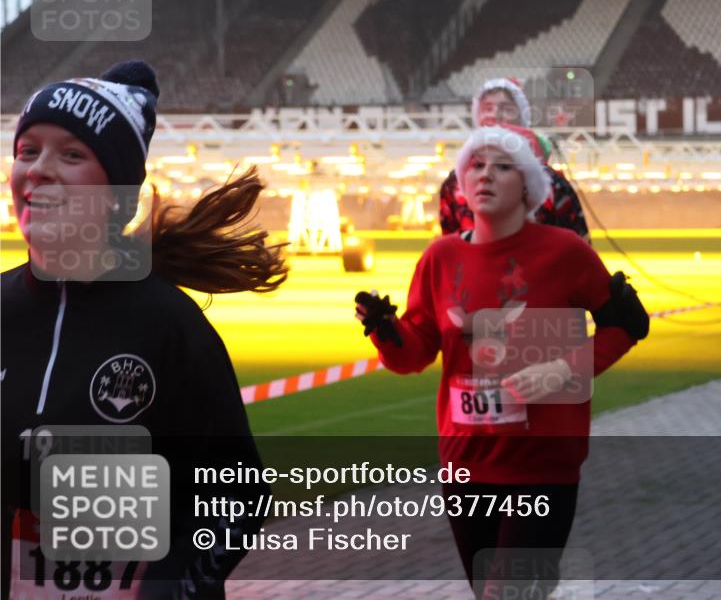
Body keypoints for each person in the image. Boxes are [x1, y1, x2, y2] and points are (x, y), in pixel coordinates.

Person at [1, 61, 285, 599]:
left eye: (72, 154)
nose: (37, 170)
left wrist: (168, 586)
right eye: (27, 150)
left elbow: (239, 493)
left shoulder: (169, 326)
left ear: (120, 194)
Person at [357, 125, 648, 598]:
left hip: (543, 464)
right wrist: (385, 331)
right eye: (475, 165)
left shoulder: (566, 253)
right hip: (465, 465)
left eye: (502, 166)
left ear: (528, 186)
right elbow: (415, 355)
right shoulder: (439, 258)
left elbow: (626, 326)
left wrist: (561, 370)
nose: (485, 174)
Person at [439, 78, 590, 242]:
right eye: (487, 108)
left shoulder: (552, 184)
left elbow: (577, 245)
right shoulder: (453, 184)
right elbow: (452, 247)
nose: (495, 115)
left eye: (507, 109)